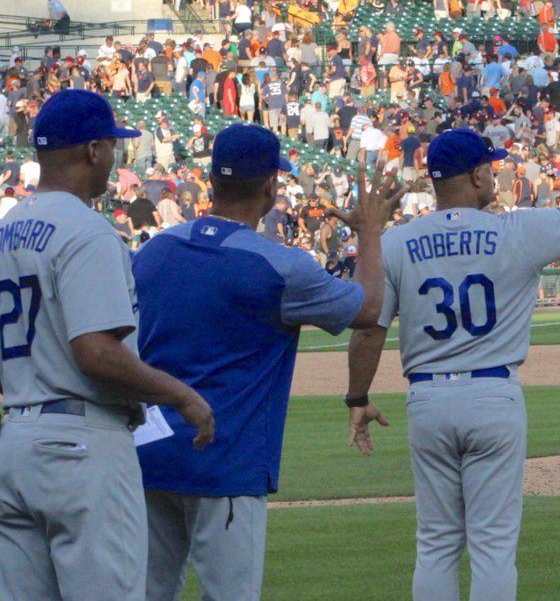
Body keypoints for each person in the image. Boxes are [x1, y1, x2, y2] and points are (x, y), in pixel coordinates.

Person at [344, 92, 560, 601]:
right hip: (493, 394)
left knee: (436, 543)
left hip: (427, 398)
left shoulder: (394, 242)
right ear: (475, 177)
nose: (495, 177)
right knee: (493, 546)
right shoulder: (516, 230)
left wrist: (357, 398)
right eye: (490, 169)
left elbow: (369, 329)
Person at [133, 123, 402, 601]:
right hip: (226, 464)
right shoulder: (279, 266)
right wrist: (370, 231)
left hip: (147, 457)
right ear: (270, 186)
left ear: (211, 180)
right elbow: (368, 308)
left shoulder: (153, 251)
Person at [0, 89, 214, 600]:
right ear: (93, 150)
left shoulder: (6, 230)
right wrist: (181, 395)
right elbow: (96, 352)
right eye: (112, 146)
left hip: (17, 440)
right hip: (82, 445)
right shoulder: (86, 230)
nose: (115, 157)